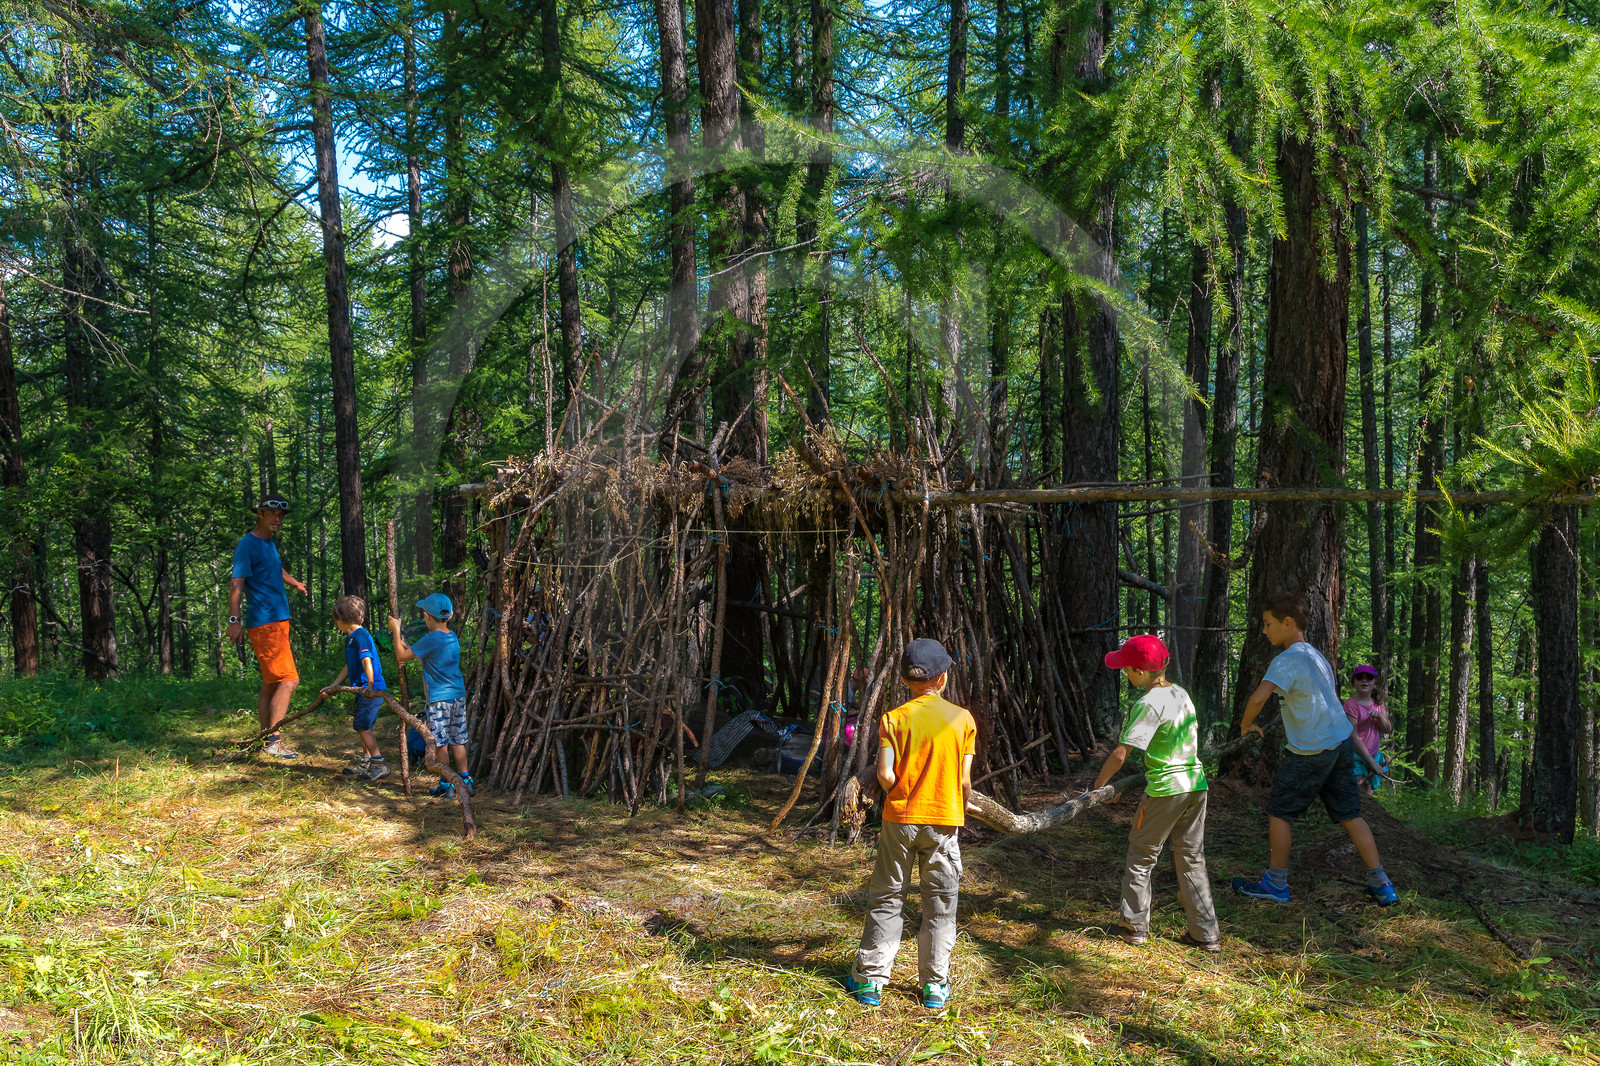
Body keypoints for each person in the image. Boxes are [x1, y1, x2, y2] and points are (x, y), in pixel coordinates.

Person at [1233, 593, 1399, 907]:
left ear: (1287, 623)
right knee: (1351, 815)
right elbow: (1315, 698)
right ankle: (1382, 883)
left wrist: (1245, 726)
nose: (1265, 631)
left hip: (1311, 751)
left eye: (1268, 624)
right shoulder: (1315, 656)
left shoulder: (1287, 659)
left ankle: (1276, 884)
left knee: (1279, 811)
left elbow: (1258, 698)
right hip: (1340, 744)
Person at [845, 638, 978, 1011]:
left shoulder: (893, 718)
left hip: (899, 820)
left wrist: (901, 788)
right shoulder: (962, 719)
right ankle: (934, 986)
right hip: (943, 821)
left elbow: (885, 774)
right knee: (940, 902)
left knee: (888, 897)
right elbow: (965, 782)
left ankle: (870, 981)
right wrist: (955, 803)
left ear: (907, 681)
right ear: (943, 678)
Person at [1089, 634, 1221, 953]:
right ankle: (1206, 934)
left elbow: (1122, 752)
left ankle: (1133, 926)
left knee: (1141, 853)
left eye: (1127, 669)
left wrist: (1100, 785)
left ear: (1140, 672)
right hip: (1196, 785)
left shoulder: (1148, 703)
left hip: (1165, 790)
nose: (1125, 674)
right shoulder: (1180, 694)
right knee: (1191, 857)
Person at [227, 495, 309, 759]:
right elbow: (236, 585)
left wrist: (294, 582)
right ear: (260, 513)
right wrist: (234, 621)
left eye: (281, 515)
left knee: (271, 683)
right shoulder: (247, 544)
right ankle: (274, 740)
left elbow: (275, 569)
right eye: (272, 513)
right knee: (289, 680)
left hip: (278, 621)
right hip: (265, 623)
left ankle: (265, 739)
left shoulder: (268, 542)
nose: (278, 519)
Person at [389, 593, 474, 799]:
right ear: (451, 615)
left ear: (426, 616)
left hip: (439, 699)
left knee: (440, 742)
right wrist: (407, 644)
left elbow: (401, 657)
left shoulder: (430, 638)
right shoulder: (450, 636)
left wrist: (396, 630)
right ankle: (465, 780)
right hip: (457, 696)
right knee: (458, 740)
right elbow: (429, 659)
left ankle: (446, 784)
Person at [322, 595, 391, 781]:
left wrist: (369, 685)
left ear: (342, 619)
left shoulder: (361, 637)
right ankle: (366, 762)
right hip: (361, 690)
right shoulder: (351, 638)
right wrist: (334, 685)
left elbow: (366, 660)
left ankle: (379, 764)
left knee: (362, 727)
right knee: (363, 726)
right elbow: (349, 665)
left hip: (370, 690)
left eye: (336, 620)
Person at [1343, 665, 1393, 798]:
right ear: (1354, 682)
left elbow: (1387, 728)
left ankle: (1366, 820)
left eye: (1369, 678)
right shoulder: (1351, 705)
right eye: (1359, 678)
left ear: (1374, 682)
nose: (1364, 681)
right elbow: (1353, 737)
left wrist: (1379, 717)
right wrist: (1372, 763)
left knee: (1369, 797)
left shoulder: (1378, 702)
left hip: (1374, 754)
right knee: (1358, 796)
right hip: (1356, 757)